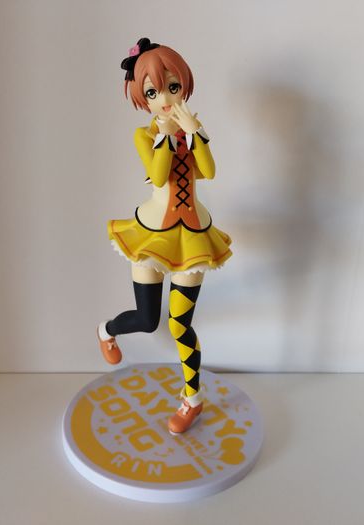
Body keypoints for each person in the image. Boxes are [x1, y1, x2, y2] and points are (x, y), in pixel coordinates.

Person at [97, 38, 232, 434]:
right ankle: (106, 331)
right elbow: (158, 176)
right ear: (143, 98)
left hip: (193, 237)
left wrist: (195, 131)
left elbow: (209, 171)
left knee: (179, 325)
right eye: (154, 92)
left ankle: (193, 400)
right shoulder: (144, 136)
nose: (166, 99)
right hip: (152, 235)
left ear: (184, 86)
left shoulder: (192, 131)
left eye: (173, 88)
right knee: (146, 319)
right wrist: (168, 135)